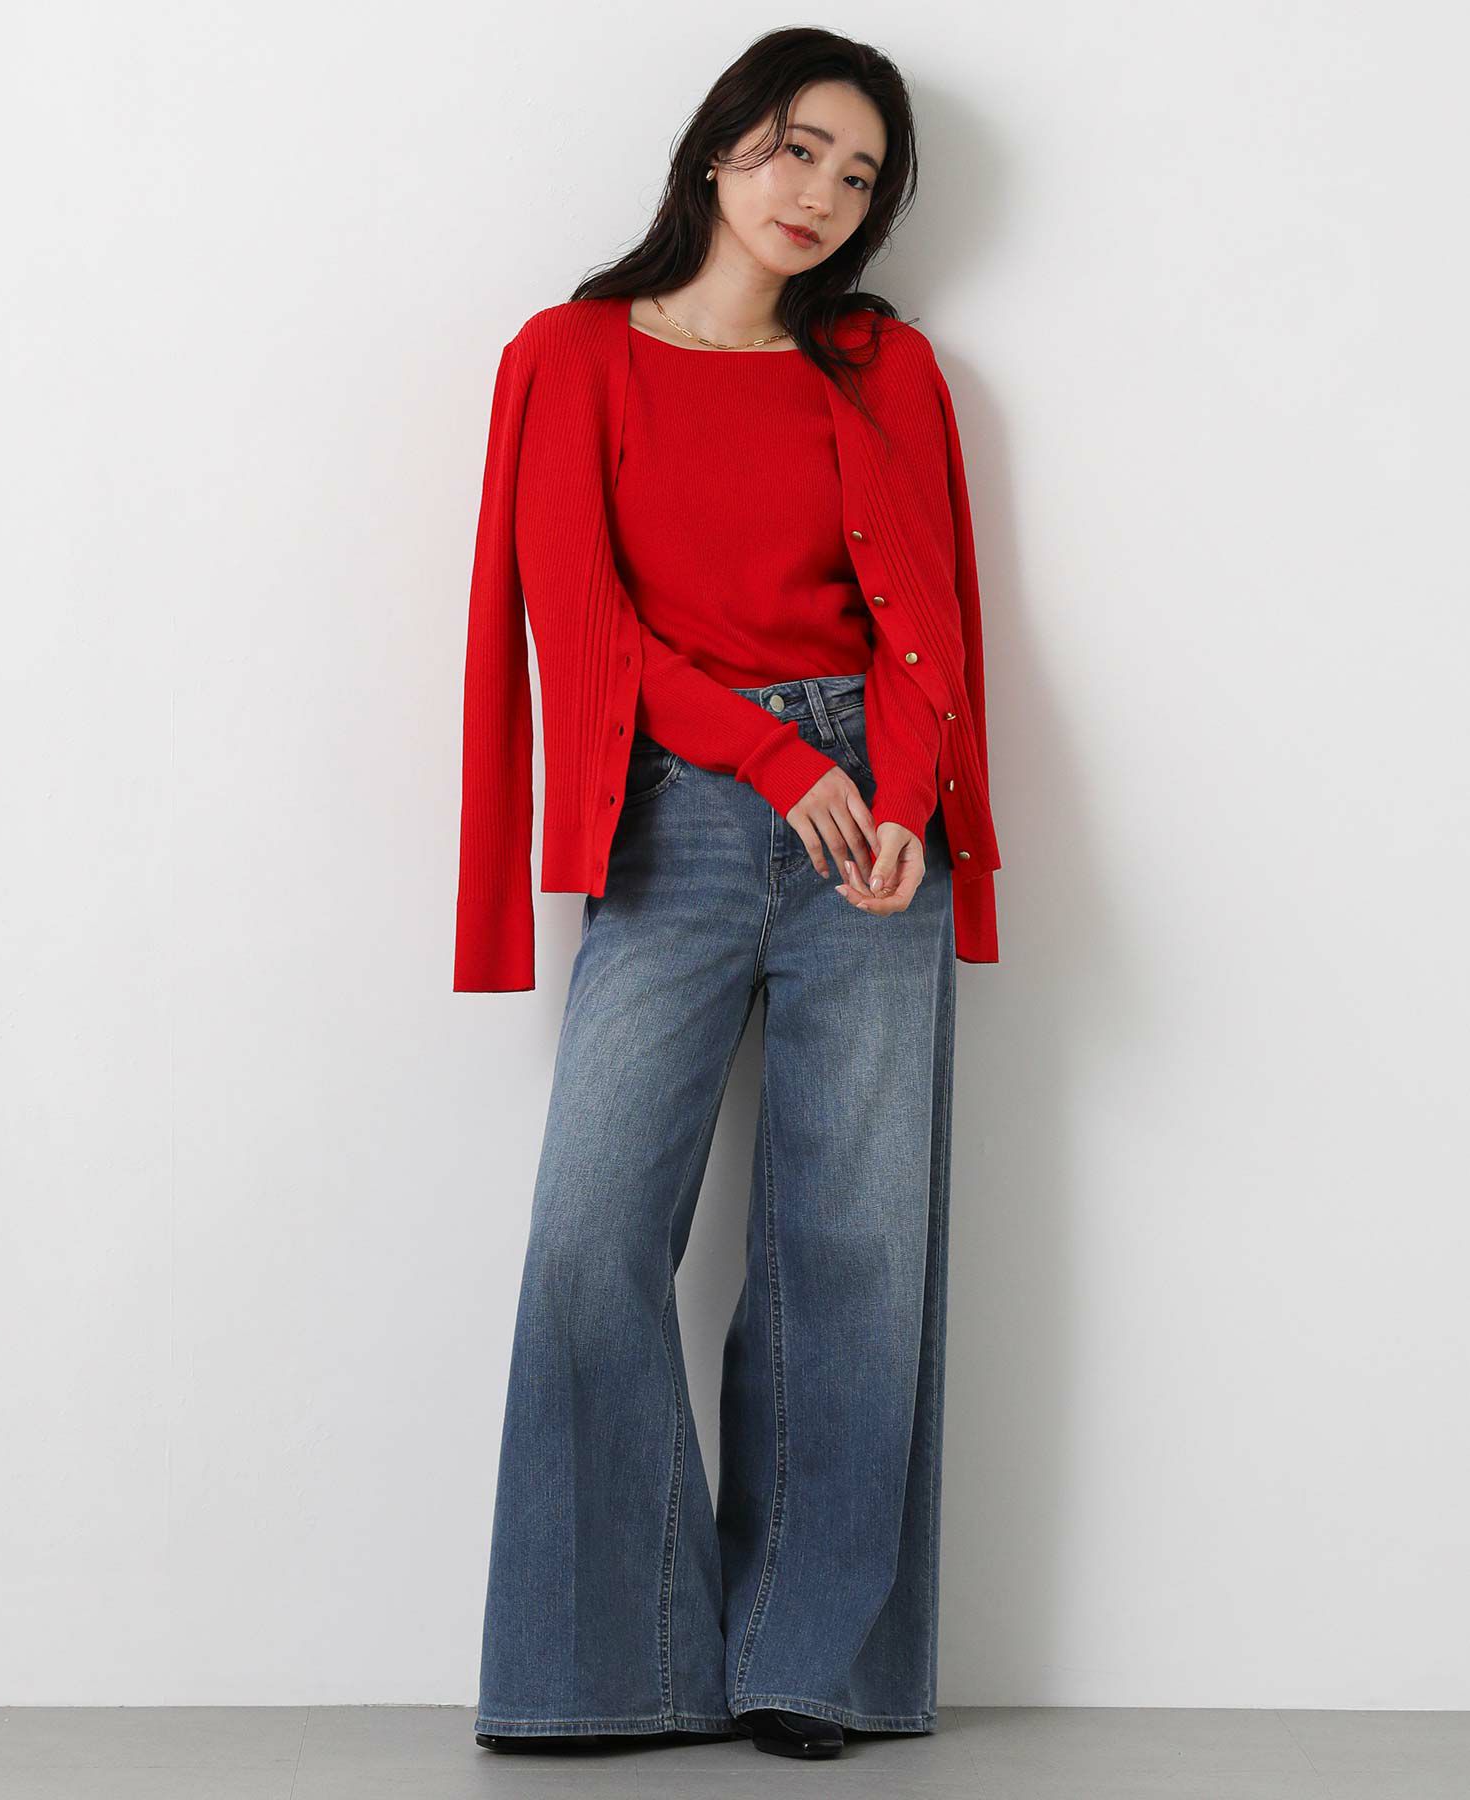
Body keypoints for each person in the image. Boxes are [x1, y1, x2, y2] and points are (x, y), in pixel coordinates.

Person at [455, 25, 1002, 1763]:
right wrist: (775, 761)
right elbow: (581, 624)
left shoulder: (883, 369)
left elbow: (931, 615)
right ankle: (609, 1667)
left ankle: (809, 1664)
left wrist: (900, 798)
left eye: (858, 175)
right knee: (593, 1230)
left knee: (856, 1248)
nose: (818, 193)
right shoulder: (571, 356)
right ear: (717, 147)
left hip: (876, 830)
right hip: (675, 812)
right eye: (793, 147)